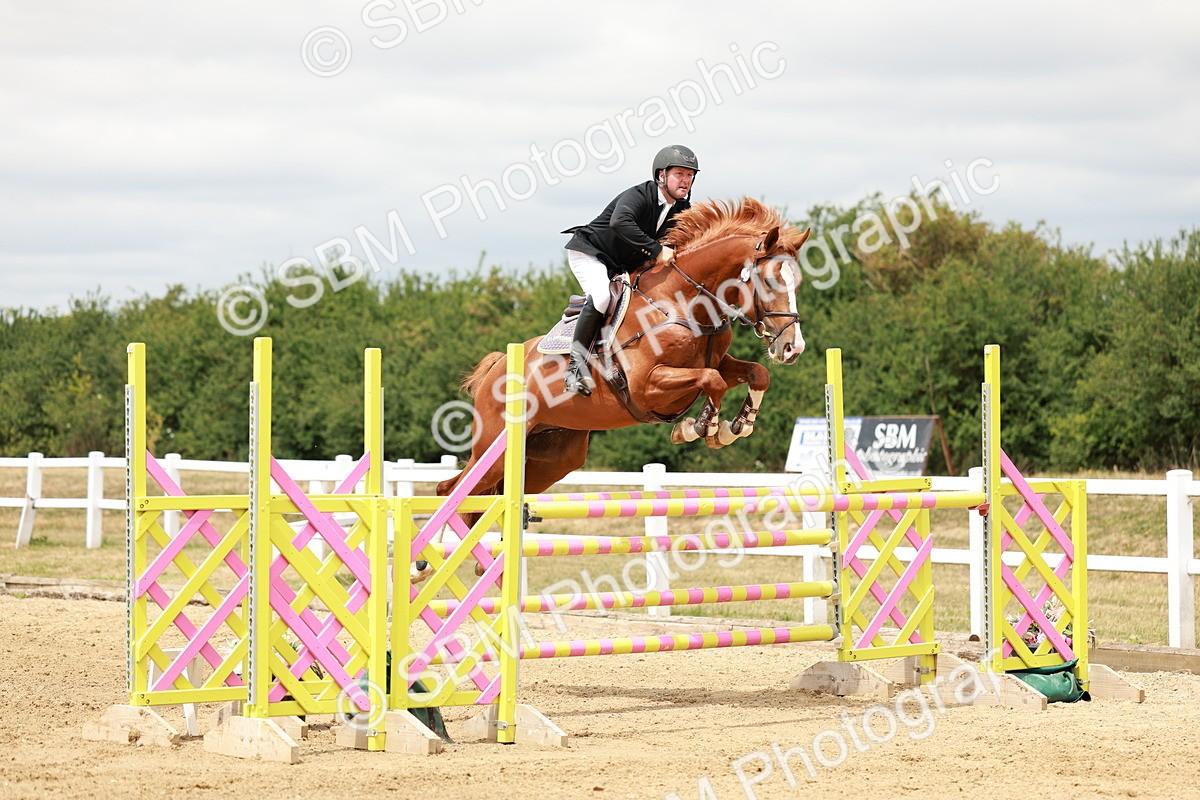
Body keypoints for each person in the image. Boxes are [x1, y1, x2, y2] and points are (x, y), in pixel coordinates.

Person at [560, 144, 699, 396]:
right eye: (679, 173)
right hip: (591, 253)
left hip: (622, 263)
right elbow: (620, 222)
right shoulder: (639, 195)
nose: (685, 180)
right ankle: (575, 367)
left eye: (690, 175)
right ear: (661, 175)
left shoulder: (681, 209)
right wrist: (656, 250)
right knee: (602, 296)